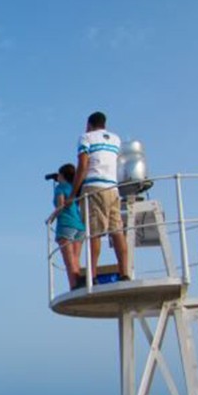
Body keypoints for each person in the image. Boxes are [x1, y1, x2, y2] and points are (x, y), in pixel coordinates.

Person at [67, 111, 129, 283]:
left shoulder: (86, 137)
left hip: (95, 187)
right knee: (117, 231)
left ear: (89, 124)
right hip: (113, 188)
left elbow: (83, 165)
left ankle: (92, 275)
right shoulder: (116, 139)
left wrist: (73, 193)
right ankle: (125, 272)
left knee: (94, 233)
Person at [46, 163, 85, 290]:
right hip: (79, 224)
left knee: (69, 260)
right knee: (76, 258)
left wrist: (50, 218)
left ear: (61, 175)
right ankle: (79, 281)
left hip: (66, 224)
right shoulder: (74, 188)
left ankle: (74, 285)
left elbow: (61, 206)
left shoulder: (60, 187)